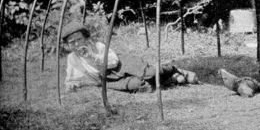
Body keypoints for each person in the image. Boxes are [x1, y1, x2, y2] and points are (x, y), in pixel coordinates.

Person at [62, 22, 198, 92]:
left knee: (148, 72)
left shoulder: (97, 47)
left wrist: (93, 57)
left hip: (120, 65)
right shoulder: (73, 58)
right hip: (108, 78)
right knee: (137, 85)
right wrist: (72, 85)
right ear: (68, 45)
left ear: (85, 39)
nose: (76, 44)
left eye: (78, 39)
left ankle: (173, 70)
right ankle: (170, 80)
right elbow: (72, 79)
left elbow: (113, 62)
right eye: (71, 42)